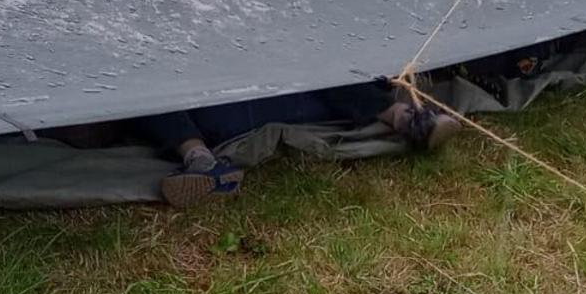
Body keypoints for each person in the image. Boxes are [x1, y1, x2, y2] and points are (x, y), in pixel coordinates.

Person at [131, 81, 460, 207]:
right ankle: (201, 163)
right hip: (229, 111)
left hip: (270, 98)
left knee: (315, 60)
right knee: (146, 91)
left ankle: (411, 120)